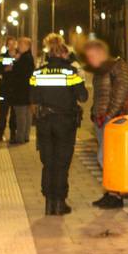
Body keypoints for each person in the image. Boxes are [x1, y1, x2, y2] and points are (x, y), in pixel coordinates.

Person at [30, 33, 88, 216]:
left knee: (48, 162)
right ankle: (60, 203)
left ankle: (49, 203)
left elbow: (33, 98)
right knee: (62, 163)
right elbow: (83, 97)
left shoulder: (38, 73)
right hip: (65, 123)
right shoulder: (70, 73)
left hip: (45, 123)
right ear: (63, 51)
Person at [83, 38, 128, 209]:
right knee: (108, 158)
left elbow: (121, 91)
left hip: (112, 120)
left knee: (105, 157)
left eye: (93, 55)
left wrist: (109, 115)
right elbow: (99, 95)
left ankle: (116, 195)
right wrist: (94, 113)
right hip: (100, 119)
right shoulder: (100, 70)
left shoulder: (117, 66)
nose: (91, 59)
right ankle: (111, 192)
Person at [10, 37, 35, 145]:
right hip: (28, 91)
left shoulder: (23, 58)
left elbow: (17, 73)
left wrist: (15, 62)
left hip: (20, 91)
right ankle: (25, 136)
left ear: (27, 46)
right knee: (27, 115)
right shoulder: (29, 57)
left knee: (21, 116)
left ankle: (20, 137)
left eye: (21, 45)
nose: (18, 46)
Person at [0, 36, 17, 141]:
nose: (12, 46)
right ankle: (0, 134)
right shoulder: (3, 56)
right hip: (4, 89)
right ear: (7, 45)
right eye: (10, 44)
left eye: (13, 43)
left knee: (14, 114)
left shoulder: (19, 56)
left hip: (15, 89)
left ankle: (13, 134)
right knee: (3, 113)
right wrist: (5, 69)